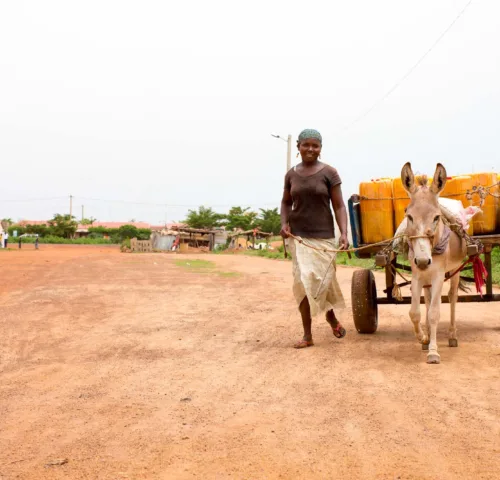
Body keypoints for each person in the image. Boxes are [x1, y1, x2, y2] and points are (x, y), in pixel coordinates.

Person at [280, 129, 349, 349]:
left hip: (324, 238)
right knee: (303, 283)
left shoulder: (330, 173)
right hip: (299, 237)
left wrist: (344, 233)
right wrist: (284, 223)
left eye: (315, 146)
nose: (311, 149)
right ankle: (307, 335)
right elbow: (285, 202)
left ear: (320, 148)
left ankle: (330, 318)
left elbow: (339, 205)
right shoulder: (291, 175)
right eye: (306, 145)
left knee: (321, 283)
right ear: (299, 146)